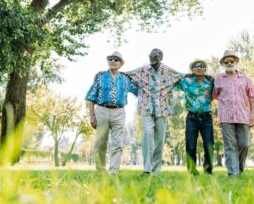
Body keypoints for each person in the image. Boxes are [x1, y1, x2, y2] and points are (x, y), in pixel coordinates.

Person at [125, 48, 184, 176]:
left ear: (161, 57)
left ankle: (155, 170)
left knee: (160, 139)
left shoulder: (167, 70)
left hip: (162, 109)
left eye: (155, 56)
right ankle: (146, 169)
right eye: (150, 56)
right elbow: (127, 74)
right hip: (146, 108)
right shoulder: (143, 70)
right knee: (147, 134)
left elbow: (181, 76)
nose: (152, 58)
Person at [85, 51, 137, 174]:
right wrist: (92, 116)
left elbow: (139, 90)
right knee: (100, 142)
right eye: (111, 59)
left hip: (119, 112)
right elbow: (91, 97)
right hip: (102, 110)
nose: (113, 61)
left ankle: (113, 171)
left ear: (121, 64)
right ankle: (100, 170)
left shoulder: (125, 79)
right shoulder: (100, 76)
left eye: (116, 60)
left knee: (117, 143)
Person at [213, 50, 254, 177]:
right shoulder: (219, 79)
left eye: (231, 61)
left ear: (236, 62)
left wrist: (252, 115)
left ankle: (239, 169)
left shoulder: (245, 78)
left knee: (245, 144)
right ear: (223, 64)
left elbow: (253, 98)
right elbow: (215, 96)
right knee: (230, 146)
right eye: (226, 62)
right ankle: (233, 173)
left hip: (243, 116)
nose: (229, 63)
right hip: (226, 117)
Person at [176, 60, 214, 175]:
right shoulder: (186, 82)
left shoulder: (211, 81)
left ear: (205, 69)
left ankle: (208, 171)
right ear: (191, 69)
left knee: (209, 145)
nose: (198, 68)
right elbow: (173, 79)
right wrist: (184, 75)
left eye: (201, 66)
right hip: (192, 117)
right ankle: (192, 171)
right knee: (190, 145)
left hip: (207, 117)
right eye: (195, 66)